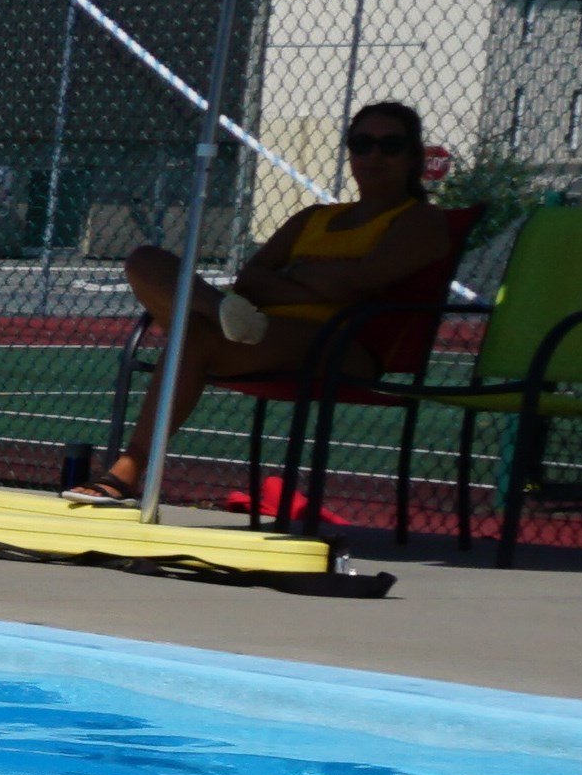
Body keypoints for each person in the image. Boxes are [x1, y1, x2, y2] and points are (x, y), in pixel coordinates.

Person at [70, 101, 457, 508]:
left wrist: (290, 279)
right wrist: (315, 280)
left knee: (195, 335)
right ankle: (222, 311)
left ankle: (130, 467)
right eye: (362, 144)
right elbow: (252, 279)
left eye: (390, 145)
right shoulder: (314, 217)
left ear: (413, 156)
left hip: (339, 343)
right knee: (145, 260)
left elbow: (359, 284)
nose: (373, 155)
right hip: (264, 325)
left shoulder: (421, 220)